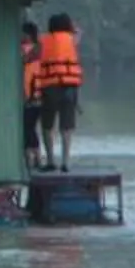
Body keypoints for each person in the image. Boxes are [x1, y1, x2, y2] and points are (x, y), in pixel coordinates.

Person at [36, 11, 85, 173]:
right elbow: (79, 32)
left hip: (49, 86)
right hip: (69, 87)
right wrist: (72, 29)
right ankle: (66, 162)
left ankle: (50, 160)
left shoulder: (43, 40)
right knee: (67, 127)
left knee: (47, 125)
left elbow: (31, 55)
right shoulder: (72, 40)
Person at [18, 19, 47, 173]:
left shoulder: (25, 50)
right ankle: (35, 158)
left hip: (31, 98)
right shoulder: (40, 49)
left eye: (22, 34)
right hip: (38, 96)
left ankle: (33, 158)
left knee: (27, 129)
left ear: (28, 35)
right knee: (30, 128)